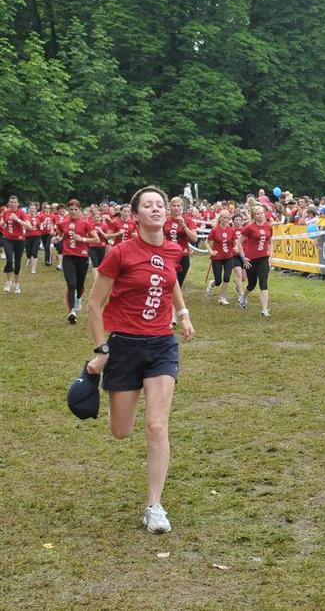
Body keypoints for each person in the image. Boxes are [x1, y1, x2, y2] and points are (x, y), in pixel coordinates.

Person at [85, 185, 195, 534]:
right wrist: (102, 349)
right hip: (124, 346)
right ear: (135, 216)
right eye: (148, 205)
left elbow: (170, 280)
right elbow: (94, 305)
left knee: (157, 426)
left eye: (160, 204)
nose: (156, 209)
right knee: (121, 431)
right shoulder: (120, 253)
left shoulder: (175, 249)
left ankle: (154, 505)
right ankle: (96, 370)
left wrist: (183, 314)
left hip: (162, 344)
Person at [57, 200, 99, 323]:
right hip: (68, 256)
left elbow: (96, 239)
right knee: (71, 284)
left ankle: (78, 298)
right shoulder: (62, 223)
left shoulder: (86, 223)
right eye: (71, 209)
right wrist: (57, 238)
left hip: (82, 257)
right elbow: (60, 235)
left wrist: (83, 239)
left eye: (76, 209)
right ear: (68, 210)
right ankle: (72, 312)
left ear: (79, 210)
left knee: (80, 285)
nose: (73, 212)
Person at [236, 205, 274, 317]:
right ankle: (244, 297)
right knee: (252, 284)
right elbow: (239, 242)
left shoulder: (269, 227)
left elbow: (270, 242)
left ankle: (264, 310)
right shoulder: (249, 227)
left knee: (263, 282)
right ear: (254, 215)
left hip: (264, 258)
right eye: (258, 213)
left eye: (262, 213)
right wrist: (243, 257)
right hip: (251, 259)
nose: (260, 215)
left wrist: (270, 256)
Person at [163, 197, 198, 290]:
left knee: (179, 283)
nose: (176, 208)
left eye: (178, 206)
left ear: (182, 207)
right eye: (173, 205)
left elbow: (194, 239)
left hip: (183, 254)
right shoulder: (165, 220)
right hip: (168, 255)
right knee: (171, 280)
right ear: (170, 207)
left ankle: (175, 298)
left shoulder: (188, 221)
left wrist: (184, 226)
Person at [205, 211, 237, 305]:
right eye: (224, 218)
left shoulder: (231, 230)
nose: (226, 220)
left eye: (228, 218)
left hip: (228, 257)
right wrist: (211, 251)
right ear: (220, 218)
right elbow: (206, 242)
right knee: (218, 281)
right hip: (217, 257)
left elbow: (234, 243)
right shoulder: (215, 230)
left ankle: (222, 298)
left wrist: (235, 248)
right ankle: (212, 283)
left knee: (227, 277)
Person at [2, 196, 30, 294]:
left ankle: (17, 283)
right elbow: (3, 223)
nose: (13, 204)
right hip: (7, 239)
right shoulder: (6, 212)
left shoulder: (22, 213)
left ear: (18, 204)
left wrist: (17, 219)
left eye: (15, 202)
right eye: (11, 202)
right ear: (8, 203)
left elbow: (29, 226)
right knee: (9, 260)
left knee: (17, 262)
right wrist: (3, 224)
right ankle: (8, 282)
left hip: (19, 240)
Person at [24, 202, 42, 275]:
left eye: (33, 208)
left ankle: (33, 268)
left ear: (36, 209)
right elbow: (24, 226)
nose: (32, 210)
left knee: (35, 252)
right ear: (29, 209)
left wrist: (41, 226)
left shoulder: (39, 217)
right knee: (28, 251)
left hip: (37, 236)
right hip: (28, 236)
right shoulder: (26, 217)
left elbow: (41, 224)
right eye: (31, 208)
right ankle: (29, 258)